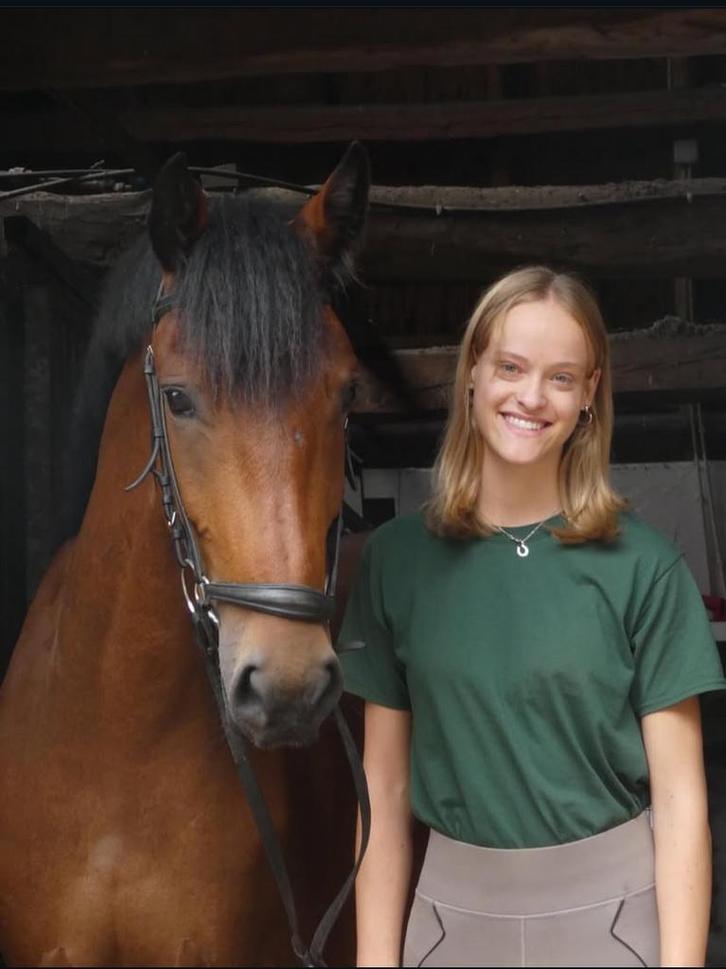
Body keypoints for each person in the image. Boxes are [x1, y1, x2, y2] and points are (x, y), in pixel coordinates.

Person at [338, 266, 726, 968]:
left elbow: (679, 804)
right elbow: (384, 792)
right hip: (449, 926)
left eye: (560, 376)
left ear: (589, 394)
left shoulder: (645, 565)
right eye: (510, 367)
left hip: (614, 924)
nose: (530, 396)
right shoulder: (396, 561)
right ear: (472, 375)